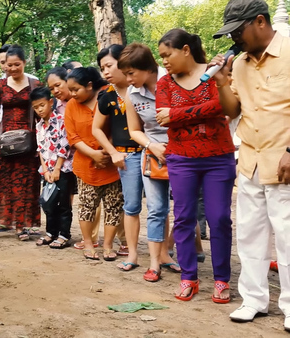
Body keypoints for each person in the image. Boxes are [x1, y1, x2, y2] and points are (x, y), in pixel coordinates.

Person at [210, 0, 290, 327]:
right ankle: (254, 300)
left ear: (259, 21)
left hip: (284, 161)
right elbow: (232, 111)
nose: (235, 40)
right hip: (250, 160)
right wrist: (220, 81)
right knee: (249, 234)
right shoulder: (240, 64)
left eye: (237, 31)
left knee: (287, 237)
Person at [156, 28, 235, 301]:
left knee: (220, 218)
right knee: (184, 218)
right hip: (181, 158)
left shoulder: (215, 71)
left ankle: (222, 280)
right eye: (161, 57)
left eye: (168, 54)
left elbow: (223, 107)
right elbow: (163, 117)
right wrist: (191, 113)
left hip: (218, 157)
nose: (164, 61)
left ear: (185, 49)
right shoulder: (164, 83)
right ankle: (189, 276)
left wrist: (179, 113)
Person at [120, 43, 174, 282]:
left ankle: (175, 255)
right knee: (156, 209)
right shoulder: (132, 94)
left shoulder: (175, 80)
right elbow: (134, 130)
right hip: (152, 155)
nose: (128, 79)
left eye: (131, 73)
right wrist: (151, 146)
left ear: (148, 68)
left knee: (185, 211)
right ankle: (154, 264)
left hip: (184, 154)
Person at [93, 44, 148, 271]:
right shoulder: (107, 96)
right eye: (101, 68)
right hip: (127, 158)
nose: (105, 72)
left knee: (158, 207)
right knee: (132, 206)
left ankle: (164, 254)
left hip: (152, 153)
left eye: (109, 65)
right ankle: (133, 255)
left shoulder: (145, 88)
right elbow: (96, 129)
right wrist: (113, 151)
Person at [0, 45, 41, 241]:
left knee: (23, 182)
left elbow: (41, 115)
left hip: (27, 139)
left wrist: (41, 145)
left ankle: (21, 226)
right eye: (9, 65)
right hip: (3, 139)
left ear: (24, 63)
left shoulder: (35, 85)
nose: (13, 68)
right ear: (4, 64)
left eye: (17, 64)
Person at [64, 67, 123, 260]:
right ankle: (88, 243)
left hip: (112, 163)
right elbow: (72, 137)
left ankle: (108, 245)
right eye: (70, 90)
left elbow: (119, 125)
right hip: (85, 164)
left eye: (75, 89)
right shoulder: (72, 105)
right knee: (87, 205)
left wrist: (106, 153)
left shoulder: (107, 96)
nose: (71, 94)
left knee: (113, 206)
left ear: (89, 85)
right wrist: (94, 155)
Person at [31, 87, 75, 249]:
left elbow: (65, 147)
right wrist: (46, 170)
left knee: (63, 204)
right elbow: (40, 150)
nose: (39, 110)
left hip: (63, 170)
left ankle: (64, 235)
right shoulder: (39, 126)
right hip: (48, 171)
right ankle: (51, 232)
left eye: (41, 105)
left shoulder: (62, 120)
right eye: (35, 107)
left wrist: (56, 169)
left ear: (50, 102)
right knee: (48, 203)